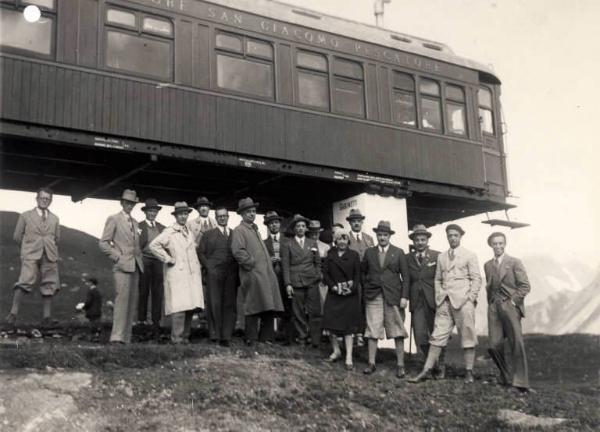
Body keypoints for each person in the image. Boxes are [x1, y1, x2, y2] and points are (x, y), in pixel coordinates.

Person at [409, 224, 482, 384]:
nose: (452, 238)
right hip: (444, 302)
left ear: (460, 236)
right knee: (437, 336)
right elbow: (437, 279)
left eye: (455, 235)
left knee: (467, 335)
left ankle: (469, 371)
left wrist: (470, 297)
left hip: (463, 302)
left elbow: (477, 278)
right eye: (450, 235)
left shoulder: (469, 255)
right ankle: (426, 370)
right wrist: (439, 296)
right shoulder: (442, 257)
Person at [230, 197, 283, 346]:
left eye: (253, 211)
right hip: (252, 274)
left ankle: (265, 338)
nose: (252, 214)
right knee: (253, 306)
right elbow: (238, 252)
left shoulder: (255, 229)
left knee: (267, 305)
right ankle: (251, 338)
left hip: (265, 275)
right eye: (248, 212)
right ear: (242, 214)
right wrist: (251, 264)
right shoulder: (239, 230)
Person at [150, 202, 204, 344]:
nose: (183, 216)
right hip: (178, 274)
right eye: (180, 214)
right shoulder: (169, 232)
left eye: (185, 213)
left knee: (190, 307)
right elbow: (154, 245)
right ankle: (176, 339)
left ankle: (185, 336)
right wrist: (168, 258)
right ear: (176, 216)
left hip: (191, 274)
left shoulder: (189, 232)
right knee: (179, 308)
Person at [5, 188, 60, 327]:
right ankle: (13, 314)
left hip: (49, 254)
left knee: (50, 283)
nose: (44, 200)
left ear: (51, 201)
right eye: (42, 198)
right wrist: (28, 247)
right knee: (25, 281)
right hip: (30, 254)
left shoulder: (55, 218)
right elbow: (17, 236)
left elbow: (57, 238)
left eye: (47, 199)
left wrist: (48, 246)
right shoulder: (25, 216)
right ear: (37, 199)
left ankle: (47, 318)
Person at [361, 221, 410, 378]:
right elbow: (362, 273)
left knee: (397, 330)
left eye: (385, 235)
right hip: (373, 295)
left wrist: (404, 297)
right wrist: (368, 285)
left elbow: (406, 277)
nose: (382, 237)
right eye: (380, 235)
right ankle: (371, 363)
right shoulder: (369, 252)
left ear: (389, 236)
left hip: (393, 296)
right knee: (373, 329)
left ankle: (400, 365)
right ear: (376, 235)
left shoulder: (399, 252)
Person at [485, 232, 531, 392]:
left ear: (505, 244)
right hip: (494, 307)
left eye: (500, 243)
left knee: (516, 343)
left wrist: (512, 302)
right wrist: (491, 303)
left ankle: (520, 383)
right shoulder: (488, 265)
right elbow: (490, 286)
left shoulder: (514, 262)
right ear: (490, 245)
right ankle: (506, 377)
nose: (498, 246)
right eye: (495, 243)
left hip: (510, 306)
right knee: (493, 345)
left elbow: (525, 286)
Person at [99, 189, 144, 344]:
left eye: (132, 203)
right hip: (121, 266)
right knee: (121, 300)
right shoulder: (114, 219)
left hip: (135, 266)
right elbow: (103, 243)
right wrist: (117, 257)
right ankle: (116, 337)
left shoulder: (136, 223)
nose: (129, 205)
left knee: (131, 302)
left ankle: (126, 338)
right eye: (127, 202)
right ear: (122, 202)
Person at [405, 224, 445, 377]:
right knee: (420, 334)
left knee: (438, 333)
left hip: (434, 299)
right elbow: (406, 279)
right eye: (417, 239)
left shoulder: (437, 256)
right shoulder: (407, 258)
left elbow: (442, 278)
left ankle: (440, 365)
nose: (420, 242)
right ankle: (430, 363)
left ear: (427, 240)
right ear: (413, 241)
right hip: (417, 300)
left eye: (423, 239)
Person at [198, 207, 239, 346]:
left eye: (224, 216)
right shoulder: (208, 234)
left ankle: (226, 336)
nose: (222, 218)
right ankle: (214, 334)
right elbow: (201, 252)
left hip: (231, 273)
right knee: (214, 303)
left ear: (228, 217)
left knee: (229, 304)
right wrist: (208, 266)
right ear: (216, 218)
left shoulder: (234, 234)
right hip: (214, 273)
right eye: (219, 216)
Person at [322, 230, 362, 370]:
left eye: (345, 239)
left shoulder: (354, 255)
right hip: (334, 294)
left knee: (348, 328)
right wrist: (333, 287)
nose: (342, 242)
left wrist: (351, 289)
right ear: (336, 241)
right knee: (330, 323)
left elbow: (358, 275)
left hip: (349, 296)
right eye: (339, 239)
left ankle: (349, 357)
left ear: (348, 241)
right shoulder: (330, 256)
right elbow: (325, 273)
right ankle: (336, 350)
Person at [281, 214, 322, 348]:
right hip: (296, 281)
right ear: (294, 229)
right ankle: (302, 337)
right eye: (298, 226)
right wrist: (288, 284)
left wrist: (317, 275)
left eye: (303, 226)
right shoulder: (288, 243)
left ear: (306, 228)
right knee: (298, 312)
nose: (300, 228)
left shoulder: (312, 242)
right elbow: (285, 265)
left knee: (314, 311)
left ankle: (315, 340)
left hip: (312, 281)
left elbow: (317, 263)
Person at [263, 210, 294, 345]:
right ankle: (270, 336)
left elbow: (294, 259)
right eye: (271, 223)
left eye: (276, 222)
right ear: (268, 226)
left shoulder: (288, 241)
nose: (273, 225)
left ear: (280, 224)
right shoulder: (264, 243)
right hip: (271, 278)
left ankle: (288, 338)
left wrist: (282, 260)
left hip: (285, 278)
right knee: (271, 307)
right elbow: (261, 260)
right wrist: (269, 259)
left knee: (287, 307)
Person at [137, 198, 165, 333]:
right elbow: (136, 245)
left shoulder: (162, 228)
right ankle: (141, 320)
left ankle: (156, 321)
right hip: (144, 260)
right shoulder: (139, 226)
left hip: (158, 261)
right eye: (150, 211)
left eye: (154, 211)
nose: (152, 213)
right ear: (145, 212)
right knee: (143, 291)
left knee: (158, 292)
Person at [346, 208, 373, 346]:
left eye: (358, 221)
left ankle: (365, 334)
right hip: (352, 276)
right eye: (353, 221)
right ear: (350, 223)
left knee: (367, 304)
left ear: (362, 222)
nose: (356, 223)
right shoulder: (346, 238)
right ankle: (355, 333)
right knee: (354, 304)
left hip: (367, 277)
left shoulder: (369, 238)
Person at [307, 220, 330, 308]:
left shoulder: (325, 246)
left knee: (323, 300)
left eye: (317, 232)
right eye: (312, 231)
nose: (314, 234)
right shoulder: (305, 245)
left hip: (321, 276)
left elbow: (327, 264)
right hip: (308, 276)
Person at [76, 276, 103, 341]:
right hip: (98, 311)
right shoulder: (98, 291)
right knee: (96, 324)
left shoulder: (90, 291)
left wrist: (83, 307)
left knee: (92, 324)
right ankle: (97, 336)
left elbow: (88, 302)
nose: (87, 284)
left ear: (91, 283)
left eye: (88, 282)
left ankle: (93, 338)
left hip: (92, 311)